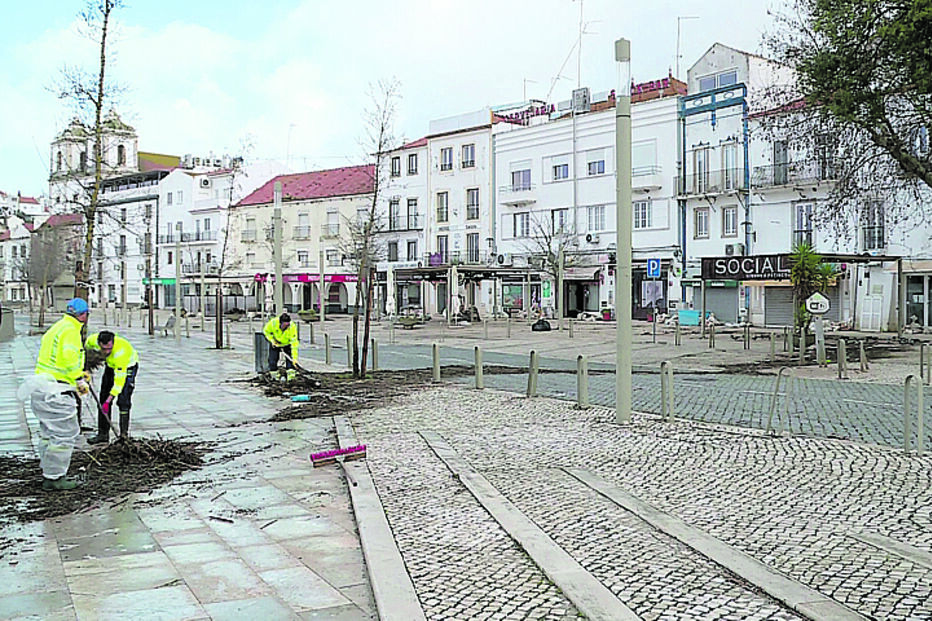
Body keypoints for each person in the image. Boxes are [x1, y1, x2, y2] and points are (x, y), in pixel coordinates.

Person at [18, 298, 90, 490]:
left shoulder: (57, 327)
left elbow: (55, 358)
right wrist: (79, 379)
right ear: (83, 315)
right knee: (65, 434)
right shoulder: (71, 331)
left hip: (43, 386)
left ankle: (48, 470)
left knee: (48, 433)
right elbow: (68, 358)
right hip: (56, 391)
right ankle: (55, 477)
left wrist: (78, 374)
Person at [85, 330, 139, 444]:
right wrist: (85, 368)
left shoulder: (121, 353)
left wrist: (109, 400)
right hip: (110, 365)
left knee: (123, 400)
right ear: (98, 343)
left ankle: (123, 435)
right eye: (103, 349)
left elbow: (119, 383)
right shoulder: (92, 341)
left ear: (113, 343)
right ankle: (103, 434)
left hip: (128, 367)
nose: (106, 351)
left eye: (109, 349)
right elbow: (84, 351)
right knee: (103, 397)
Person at [263, 312, 298, 380]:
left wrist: (294, 358)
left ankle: (291, 379)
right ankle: (274, 377)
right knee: (272, 361)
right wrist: (272, 341)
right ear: (280, 323)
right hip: (275, 344)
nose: (286, 327)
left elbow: (294, 343)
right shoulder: (273, 323)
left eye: (287, 325)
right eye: (284, 325)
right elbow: (266, 331)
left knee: (290, 363)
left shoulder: (292, 327)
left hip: (287, 344)